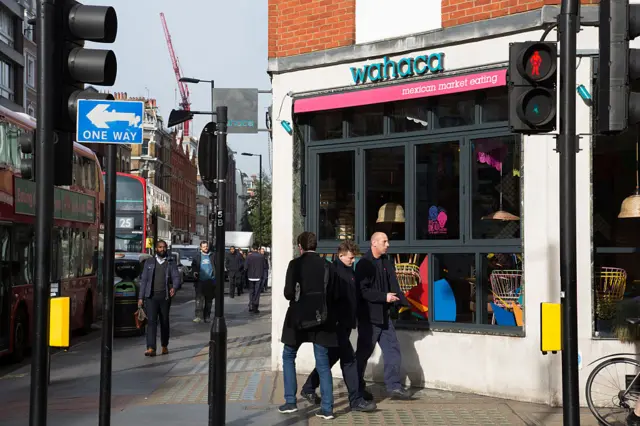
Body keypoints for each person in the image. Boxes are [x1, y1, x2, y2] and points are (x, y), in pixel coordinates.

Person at [300, 240, 377, 412]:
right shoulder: (334, 272)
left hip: (345, 324)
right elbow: (331, 300)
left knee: (330, 359)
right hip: (337, 325)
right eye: (350, 258)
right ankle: (356, 400)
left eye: (354, 258)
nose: (353, 260)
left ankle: (308, 388)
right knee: (349, 361)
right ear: (341, 255)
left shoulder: (349, 271)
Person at [279, 231, 340, 420]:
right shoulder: (327, 266)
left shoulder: (295, 264)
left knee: (288, 355)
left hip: (298, 318)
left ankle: (290, 402)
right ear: (316, 246)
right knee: (322, 362)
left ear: (300, 247)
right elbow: (335, 295)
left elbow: (289, 293)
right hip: (321, 318)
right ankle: (327, 408)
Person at [355, 232, 411, 400]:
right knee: (363, 355)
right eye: (384, 241)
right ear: (374, 243)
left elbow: (393, 284)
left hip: (385, 317)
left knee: (393, 350)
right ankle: (357, 388)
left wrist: (403, 302)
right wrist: (383, 297)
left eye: (387, 241)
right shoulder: (364, 264)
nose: (388, 244)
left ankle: (394, 387)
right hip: (369, 318)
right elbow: (362, 291)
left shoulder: (387, 262)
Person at [138, 240, 182, 356]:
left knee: (164, 321)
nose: (162, 249)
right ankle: (151, 347)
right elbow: (144, 281)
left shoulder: (170, 262)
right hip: (151, 297)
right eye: (160, 247)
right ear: (156, 249)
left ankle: (164, 345)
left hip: (165, 297)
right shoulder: (149, 262)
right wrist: (140, 297)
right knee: (151, 322)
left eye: (164, 247)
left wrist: (175, 287)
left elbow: (176, 277)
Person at [191, 241, 215, 323]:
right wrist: (194, 272)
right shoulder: (197, 256)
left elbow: (216, 266)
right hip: (200, 281)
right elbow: (193, 266)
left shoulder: (212, 255)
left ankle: (207, 316)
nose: (206, 248)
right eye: (204, 246)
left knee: (209, 301)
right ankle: (198, 316)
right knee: (199, 300)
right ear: (200, 247)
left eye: (206, 246)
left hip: (210, 281)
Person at [245, 244, 265, 313]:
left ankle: (250, 305)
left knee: (251, 291)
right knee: (257, 292)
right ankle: (255, 307)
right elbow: (264, 267)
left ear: (252, 248)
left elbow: (246, 267)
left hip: (250, 276)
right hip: (258, 276)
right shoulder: (261, 256)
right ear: (258, 248)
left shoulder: (249, 256)